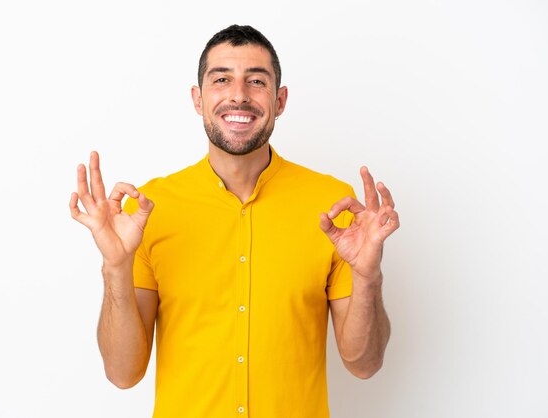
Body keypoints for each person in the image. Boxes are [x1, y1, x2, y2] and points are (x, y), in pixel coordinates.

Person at [70, 24, 399, 418]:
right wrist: (116, 266)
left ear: (280, 100)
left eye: (256, 81)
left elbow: (364, 364)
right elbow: (122, 373)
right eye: (221, 79)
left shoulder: (333, 207)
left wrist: (367, 277)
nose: (238, 95)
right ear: (198, 98)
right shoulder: (147, 210)